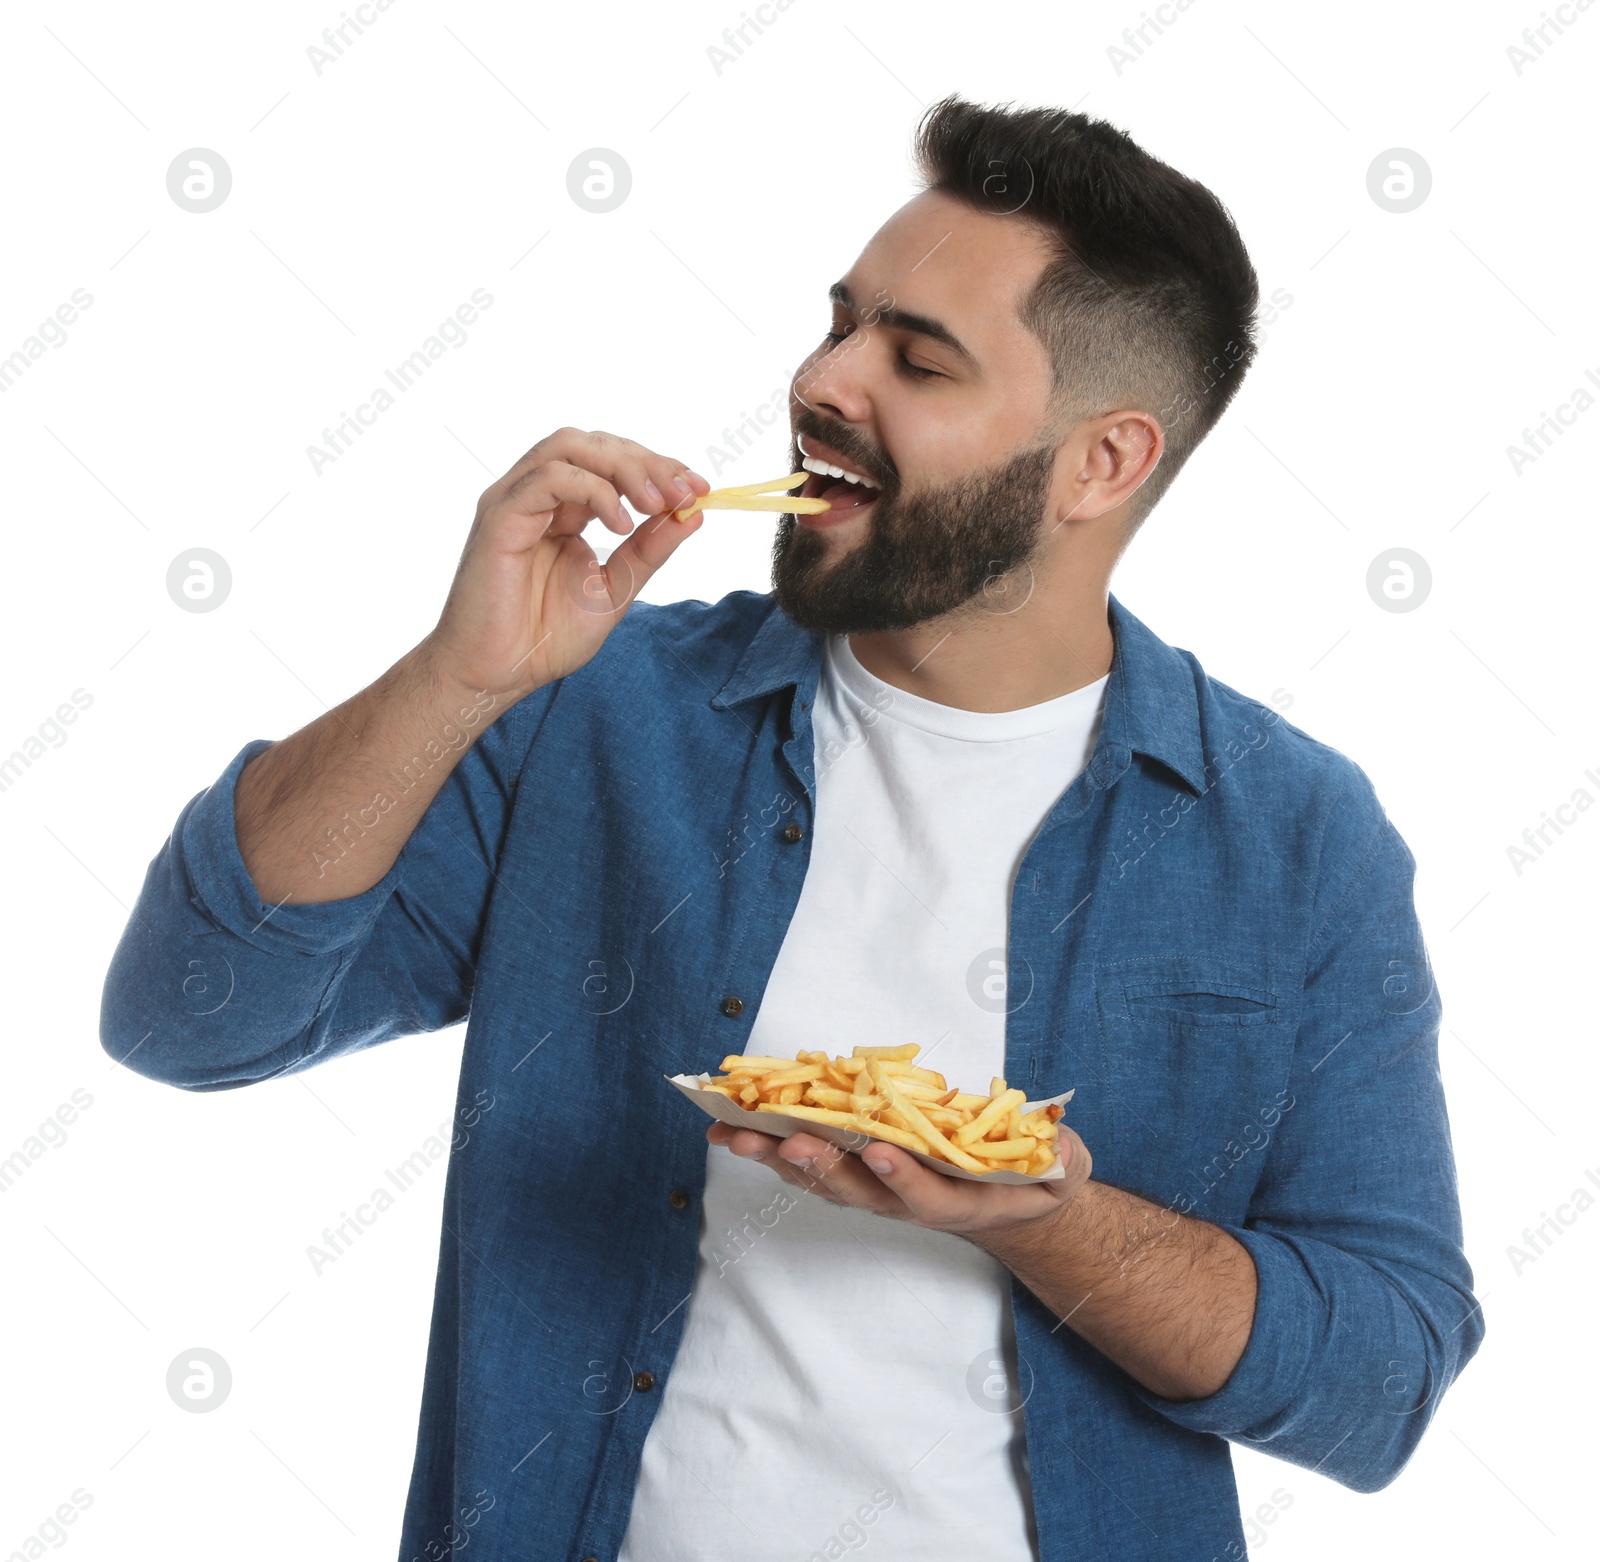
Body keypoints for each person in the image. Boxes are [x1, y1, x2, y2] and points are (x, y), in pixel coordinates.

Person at [100, 96, 1482, 1562]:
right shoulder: (596, 710)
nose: (821, 379)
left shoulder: (1299, 836)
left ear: (1102, 462)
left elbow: (1382, 1377)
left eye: (914, 356)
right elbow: (190, 1014)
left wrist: (1041, 1218)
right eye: (838, 323)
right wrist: (459, 679)